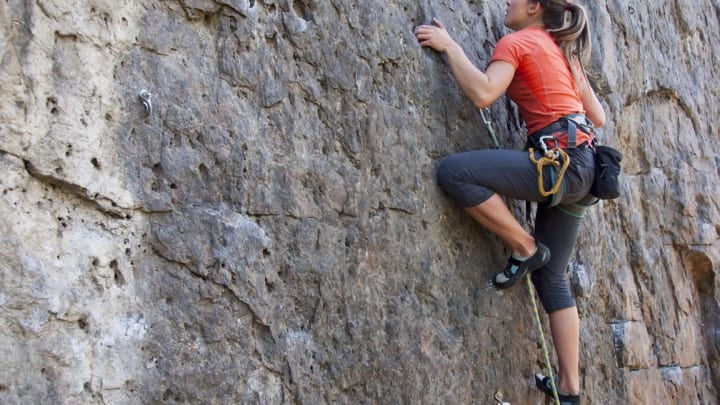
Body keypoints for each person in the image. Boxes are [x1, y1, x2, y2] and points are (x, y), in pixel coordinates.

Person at [414, 1, 605, 404]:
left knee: (455, 173)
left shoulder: (518, 42)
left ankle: (524, 246)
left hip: (559, 166)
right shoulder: (563, 51)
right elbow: (598, 116)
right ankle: (570, 389)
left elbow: (484, 92)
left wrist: (450, 47)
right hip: (585, 170)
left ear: (534, 7)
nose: (506, 3)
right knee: (552, 277)